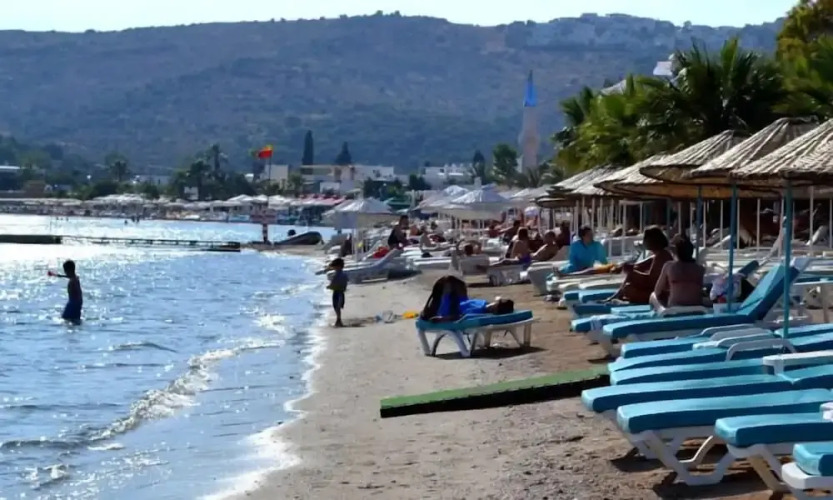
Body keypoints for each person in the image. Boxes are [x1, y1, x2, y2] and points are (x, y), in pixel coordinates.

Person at [607, 226, 673, 304]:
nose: (643, 241)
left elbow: (652, 281)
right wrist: (624, 267)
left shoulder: (662, 256)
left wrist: (633, 273)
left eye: (645, 239)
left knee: (631, 281)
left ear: (652, 240)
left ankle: (617, 296)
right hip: (653, 290)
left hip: (660, 294)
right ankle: (619, 296)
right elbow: (637, 265)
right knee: (628, 287)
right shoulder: (657, 255)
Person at [654, 235, 706, 307]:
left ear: (676, 252)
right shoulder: (700, 268)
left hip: (675, 307)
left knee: (653, 296)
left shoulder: (669, 266)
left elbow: (657, 291)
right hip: (697, 306)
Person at [50, 260, 83, 325]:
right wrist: (55, 275)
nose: (65, 273)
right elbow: (68, 276)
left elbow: (78, 292)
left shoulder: (73, 280)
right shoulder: (75, 278)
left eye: (65, 271)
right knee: (74, 320)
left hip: (73, 303)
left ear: (68, 270)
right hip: (77, 303)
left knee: (65, 320)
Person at [327, 258, 348, 327]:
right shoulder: (344, 274)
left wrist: (329, 287)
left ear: (338, 266)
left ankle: (338, 320)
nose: (333, 268)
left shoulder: (336, 275)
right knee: (338, 306)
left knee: (336, 306)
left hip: (336, 292)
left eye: (334, 266)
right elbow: (345, 283)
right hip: (341, 292)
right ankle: (338, 320)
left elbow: (333, 283)